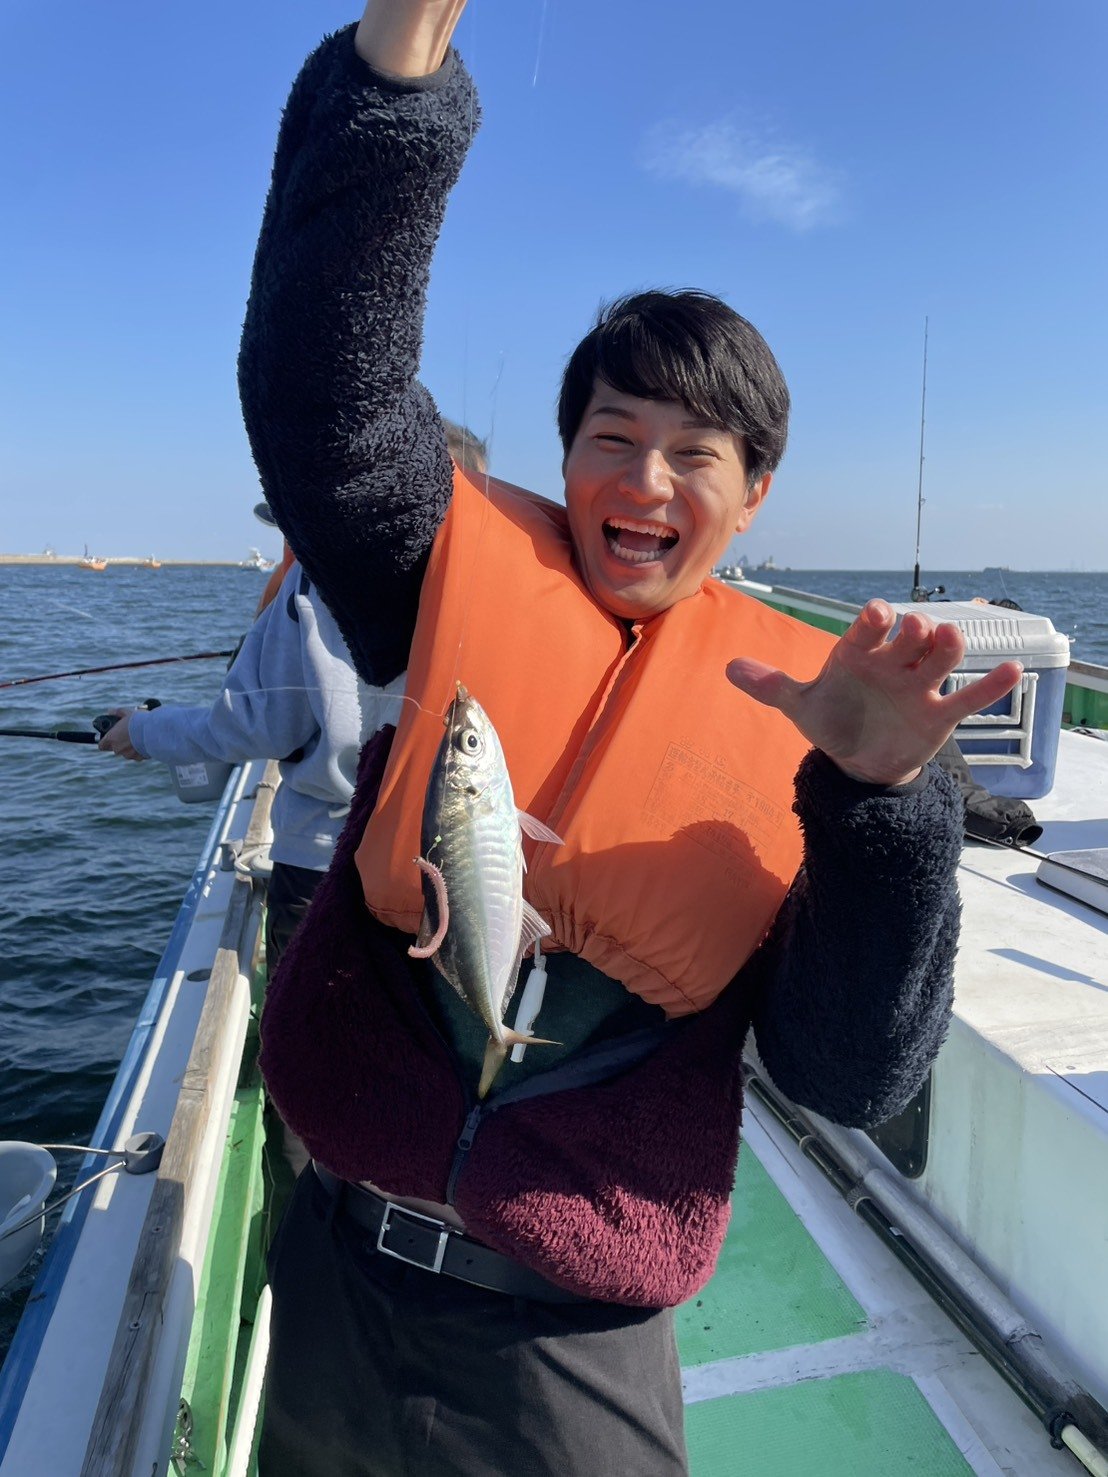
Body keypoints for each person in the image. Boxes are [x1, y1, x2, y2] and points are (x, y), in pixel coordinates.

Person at [236, 5, 1023, 1473]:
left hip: (574, 1348)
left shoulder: (818, 711)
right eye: (611, 436)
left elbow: (850, 1076)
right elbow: (318, 390)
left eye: (693, 453)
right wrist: (397, 72)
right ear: (565, 455)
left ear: (755, 491)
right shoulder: (443, 579)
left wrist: (882, 796)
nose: (644, 480)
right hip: (336, 1275)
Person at [98, 421, 488, 969]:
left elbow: (250, 725)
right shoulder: (483, 587)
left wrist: (141, 731)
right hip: (450, 871)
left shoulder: (316, 581)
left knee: (309, 1015)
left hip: (322, 862)